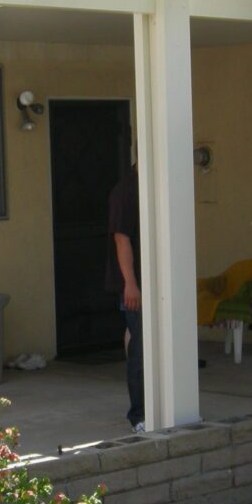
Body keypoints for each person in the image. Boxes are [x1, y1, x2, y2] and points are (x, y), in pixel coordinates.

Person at [106, 165, 144, 432]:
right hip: (135, 285)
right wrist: (130, 284)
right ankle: (139, 415)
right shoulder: (126, 191)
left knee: (137, 341)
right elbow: (122, 239)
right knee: (140, 349)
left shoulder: (150, 186)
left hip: (152, 283)